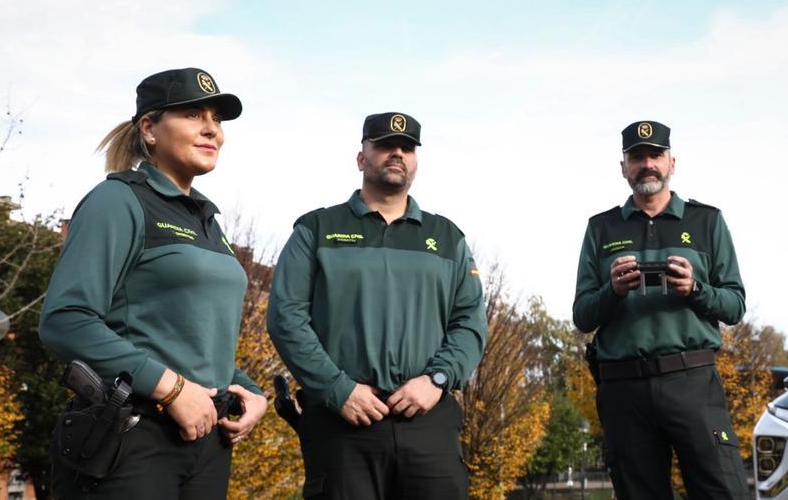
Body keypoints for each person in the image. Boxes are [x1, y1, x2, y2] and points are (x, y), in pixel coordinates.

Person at [39, 68, 267, 499]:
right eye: (193, 115)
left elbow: (189, 338)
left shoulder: (208, 221)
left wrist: (251, 393)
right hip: (130, 436)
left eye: (217, 119)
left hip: (208, 441)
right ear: (149, 128)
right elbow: (65, 320)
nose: (211, 130)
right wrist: (173, 389)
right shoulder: (118, 200)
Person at [267, 112, 486, 500]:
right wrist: (338, 389)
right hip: (342, 420)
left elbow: (469, 323)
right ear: (361, 158)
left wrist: (436, 380)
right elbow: (287, 318)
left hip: (427, 416)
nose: (397, 153)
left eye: (407, 148)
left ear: (415, 161)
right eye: (385, 145)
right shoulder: (315, 229)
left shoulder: (447, 237)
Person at [573, 120, 750, 500]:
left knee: (723, 491)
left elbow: (735, 305)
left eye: (656, 155)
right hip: (623, 388)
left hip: (692, 381)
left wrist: (695, 289)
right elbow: (583, 315)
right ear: (624, 167)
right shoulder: (600, 228)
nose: (647, 164)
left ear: (672, 162)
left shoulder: (707, 221)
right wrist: (613, 290)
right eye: (637, 157)